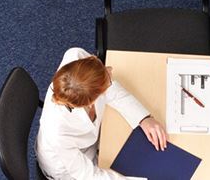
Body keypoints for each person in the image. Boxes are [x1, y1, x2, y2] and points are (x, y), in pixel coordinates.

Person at [36, 48, 168, 179]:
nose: (110, 69)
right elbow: (88, 175)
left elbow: (109, 90)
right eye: (107, 78)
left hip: (89, 145)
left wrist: (144, 118)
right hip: (68, 169)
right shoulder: (57, 132)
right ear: (90, 103)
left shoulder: (76, 57)